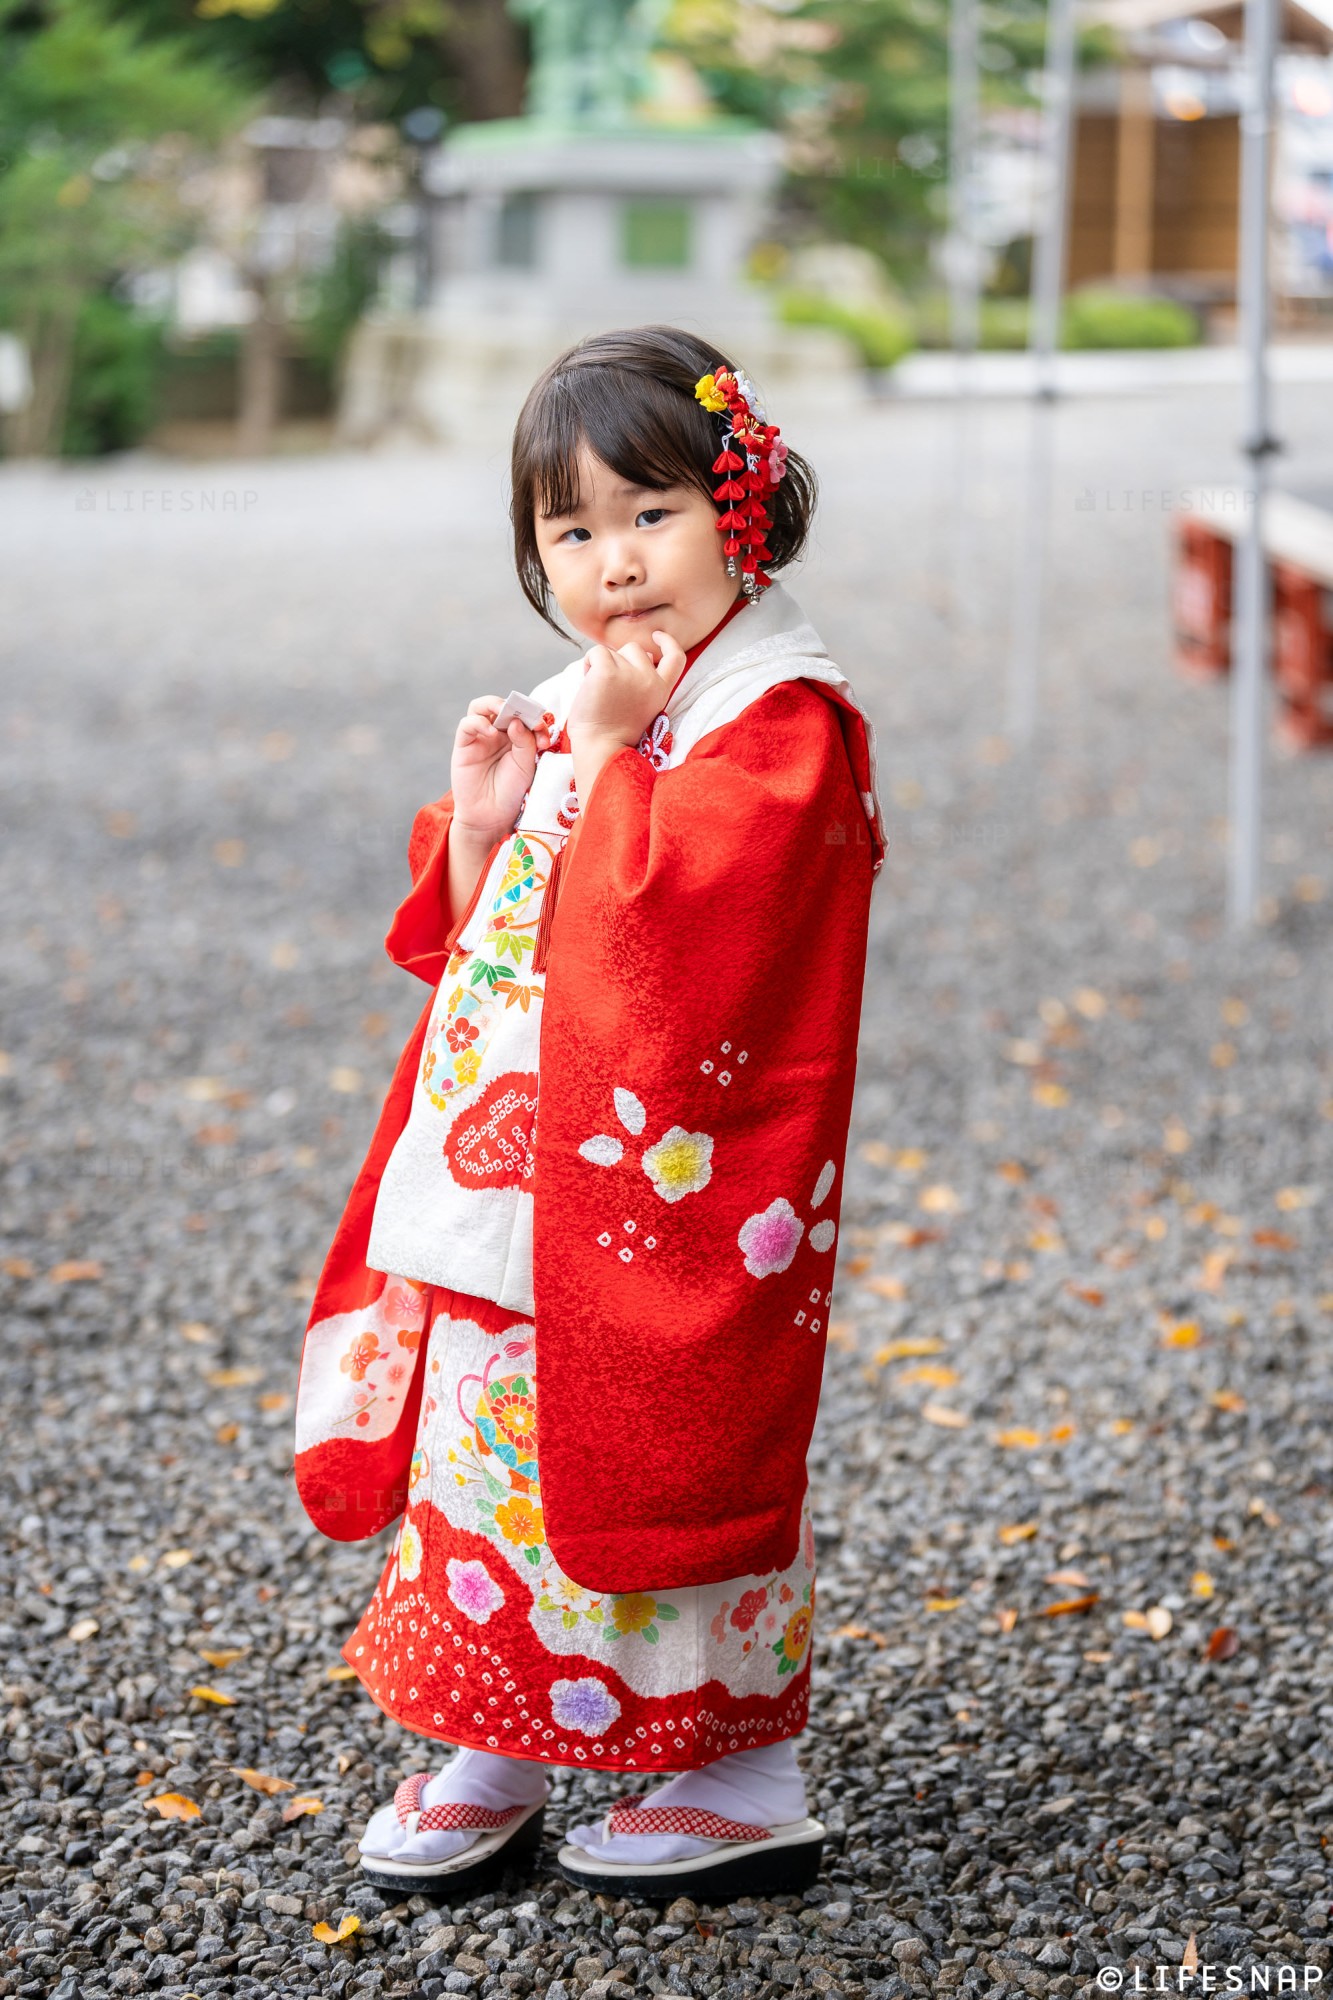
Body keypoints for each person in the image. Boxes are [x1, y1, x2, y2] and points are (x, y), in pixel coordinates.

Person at [292, 324, 886, 1901]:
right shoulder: (590, 702)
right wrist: (489, 830)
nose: (614, 563)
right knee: (490, 1458)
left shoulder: (780, 719)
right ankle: (496, 1729)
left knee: (669, 1458)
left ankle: (736, 1769)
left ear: (741, 510)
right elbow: (497, 949)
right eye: (571, 531)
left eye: (651, 513)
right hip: (519, 1198)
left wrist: (612, 768)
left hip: (663, 1198)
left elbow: (684, 940)